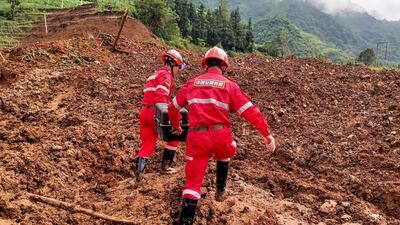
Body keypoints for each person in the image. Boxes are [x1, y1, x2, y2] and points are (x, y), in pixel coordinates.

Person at [168, 47, 276, 224]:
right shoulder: (230, 85)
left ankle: (185, 221)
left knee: (193, 184)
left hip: (197, 137)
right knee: (226, 151)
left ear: (205, 64)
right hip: (221, 136)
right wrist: (266, 134)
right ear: (224, 66)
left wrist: (176, 126)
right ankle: (220, 191)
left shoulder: (192, 83)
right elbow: (251, 112)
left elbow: (172, 108)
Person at [134, 49, 186, 186]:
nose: (178, 71)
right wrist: (171, 116)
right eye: (178, 67)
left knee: (148, 143)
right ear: (173, 64)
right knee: (176, 134)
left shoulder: (154, 74)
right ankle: (166, 166)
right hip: (155, 112)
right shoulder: (166, 76)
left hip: (144, 112)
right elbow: (161, 97)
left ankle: (139, 173)